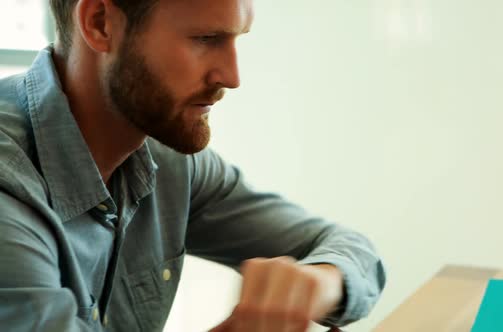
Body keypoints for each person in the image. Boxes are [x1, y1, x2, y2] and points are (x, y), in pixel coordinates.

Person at [0, 0, 386, 331]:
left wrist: (320, 282)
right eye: (206, 39)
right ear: (100, 23)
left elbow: (351, 250)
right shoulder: (9, 190)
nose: (232, 78)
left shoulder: (166, 160)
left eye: (237, 39)